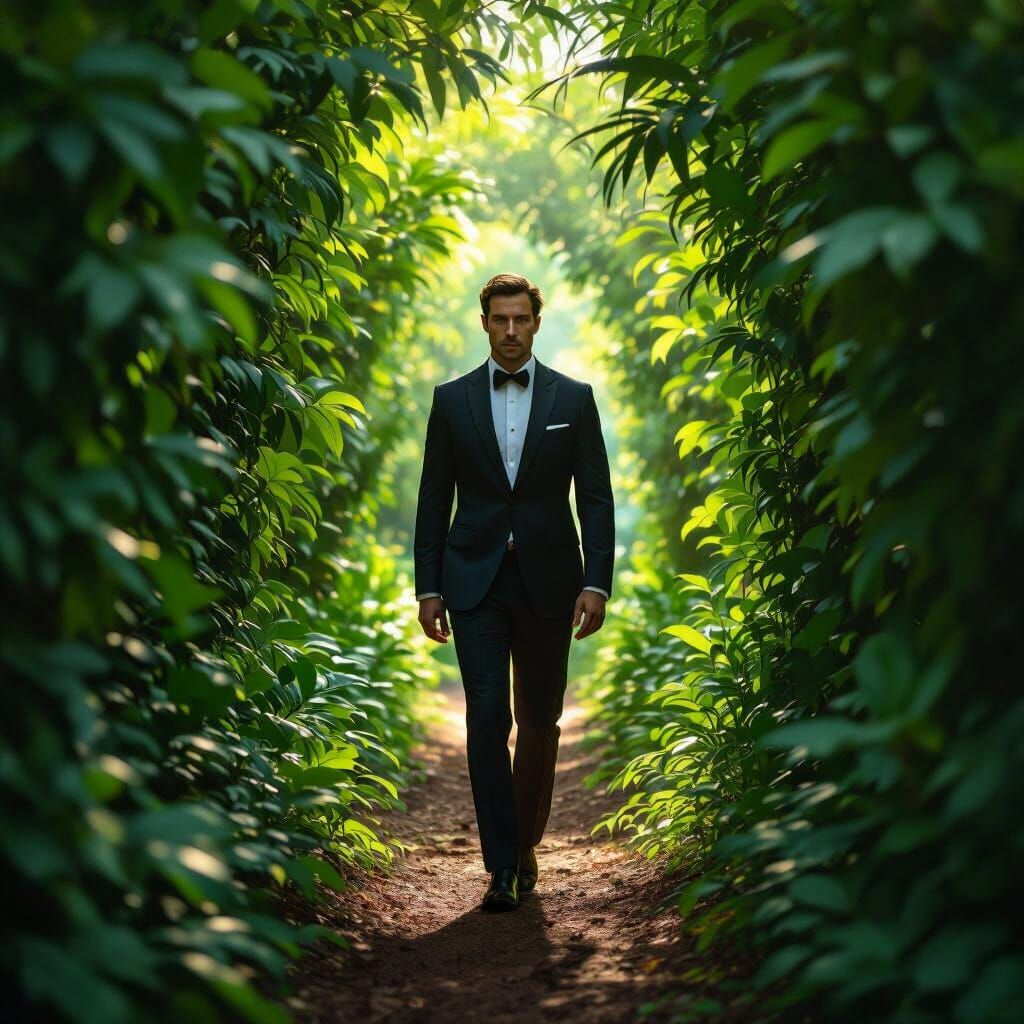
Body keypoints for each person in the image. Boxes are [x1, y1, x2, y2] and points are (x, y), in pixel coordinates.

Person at [413, 272, 615, 911]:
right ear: (484, 322)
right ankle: (500, 867)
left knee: (540, 722)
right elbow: (431, 500)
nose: (509, 331)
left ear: (535, 322)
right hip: (472, 580)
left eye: (519, 320)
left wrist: (596, 582)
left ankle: (526, 844)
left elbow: (597, 498)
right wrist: (427, 587)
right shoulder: (451, 401)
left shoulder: (575, 400)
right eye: (499, 319)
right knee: (486, 718)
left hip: (550, 581)